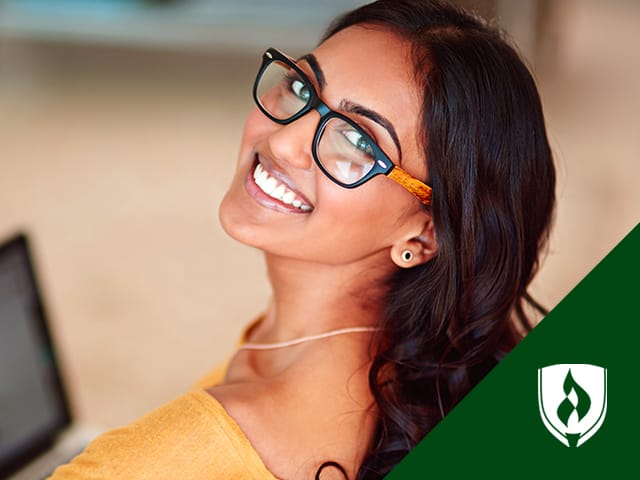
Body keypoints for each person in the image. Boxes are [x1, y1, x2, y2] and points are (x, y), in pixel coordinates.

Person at [49, 0, 555, 479]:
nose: (282, 140)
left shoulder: (186, 448)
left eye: (357, 141)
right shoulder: (405, 372)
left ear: (424, 232)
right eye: (301, 89)